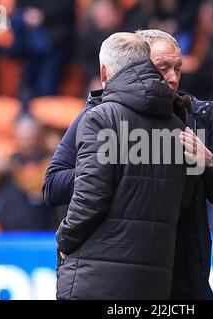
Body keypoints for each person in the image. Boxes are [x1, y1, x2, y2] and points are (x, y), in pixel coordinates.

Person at [44, 29, 213, 300]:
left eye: (178, 68)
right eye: (162, 68)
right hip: (126, 267)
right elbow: (53, 185)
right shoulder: (102, 113)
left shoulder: (194, 118)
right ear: (139, 66)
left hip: (184, 273)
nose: (172, 77)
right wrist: (113, 167)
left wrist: (211, 162)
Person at [56, 32, 187, 300]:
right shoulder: (178, 126)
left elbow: (90, 197)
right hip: (156, 280)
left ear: (104, 71)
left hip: (97, 279)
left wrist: (65, 240)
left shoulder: (101, 118)